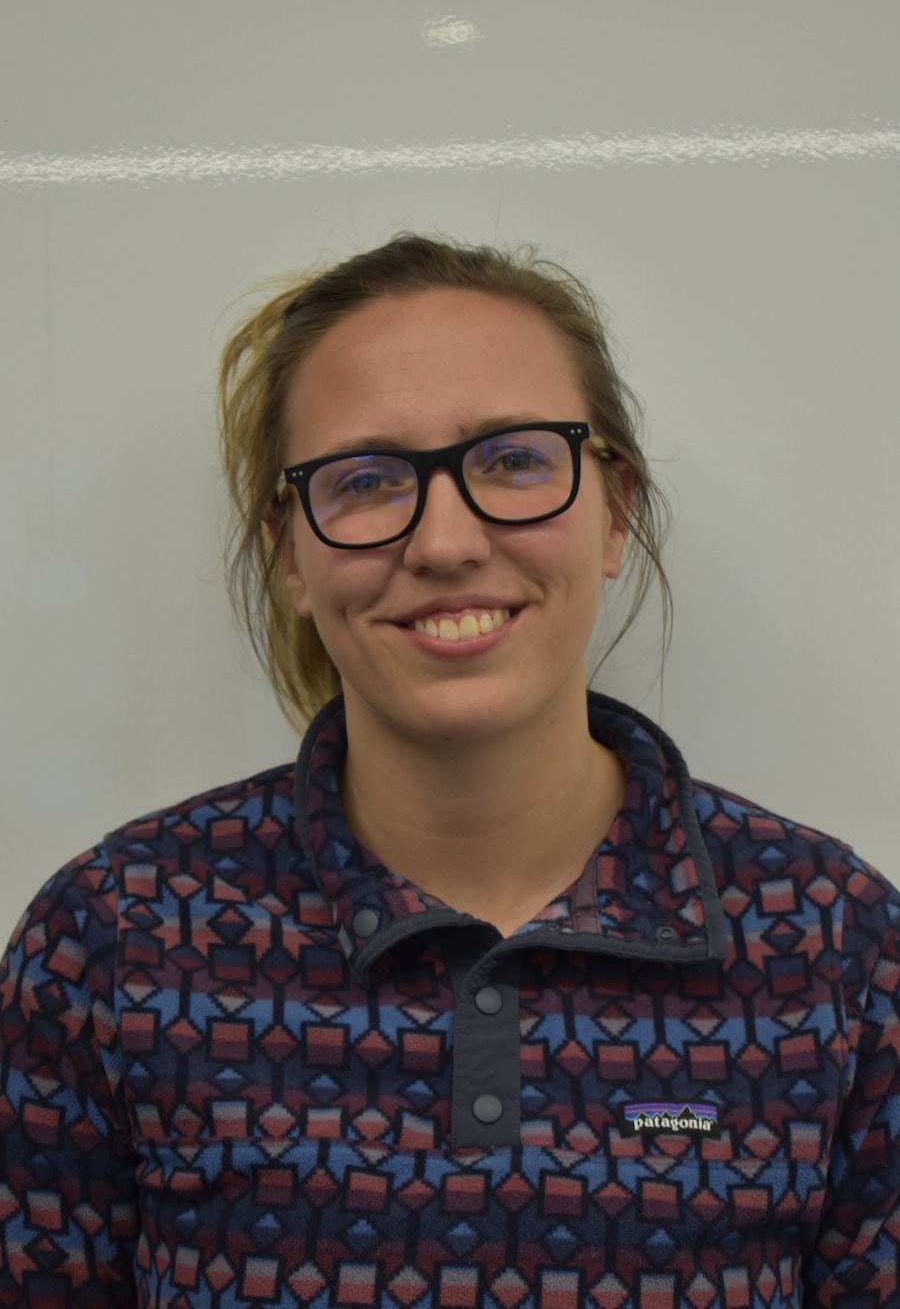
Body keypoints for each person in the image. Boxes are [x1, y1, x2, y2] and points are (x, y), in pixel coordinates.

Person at [1, 235, 898, 1309]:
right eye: (368, 480)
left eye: (514, 459)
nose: (446, 541)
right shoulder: (111, 938)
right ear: (291, 551)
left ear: (613, 509)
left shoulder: (841, 948)